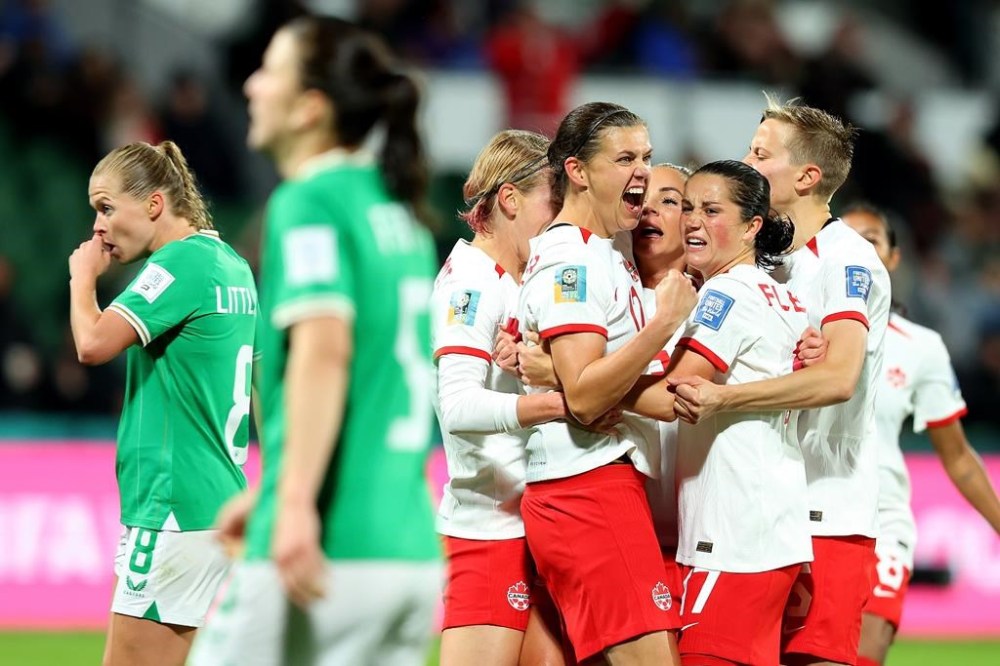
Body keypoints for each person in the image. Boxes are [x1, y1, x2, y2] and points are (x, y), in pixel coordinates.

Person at [188, 16, 441, 666]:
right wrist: (271, 486)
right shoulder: (399, 213)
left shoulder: (311, 201)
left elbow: (325, 351)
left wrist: (293, 498)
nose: (250, 85)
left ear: (310, 109)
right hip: (409, 551)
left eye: (270, 70)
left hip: (331, 542)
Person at [670, 95, 891, 666]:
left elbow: (839, 378)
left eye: (760, 153)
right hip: (769, 510)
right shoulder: (771, 264)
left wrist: (723, 398)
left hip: (829, 506)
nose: (746, 159)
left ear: (807, 176)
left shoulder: (847, 262)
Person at [516, 101, 698, 665]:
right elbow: (590, 396)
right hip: (586, 490)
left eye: (645, 155)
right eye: (624, 158)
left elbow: (595, 387)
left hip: (598, 488)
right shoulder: (574, 262)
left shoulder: (607, 255)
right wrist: (664, 322)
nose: (642, 170)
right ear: (577, 170)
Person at [68, 140, 256, 666]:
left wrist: (82, 281)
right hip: (211, 499)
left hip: (172, 506)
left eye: (106, 207)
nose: (97, 227)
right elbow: (262, 378)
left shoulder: (179, 265)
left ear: (154, 204)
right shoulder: (232, 264)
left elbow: (92, 344)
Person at [431, 129, 568, 666]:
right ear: (509, 199)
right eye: (552, 202)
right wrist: (562, 402)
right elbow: (459, 406)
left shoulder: (514, 279)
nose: (559, 218)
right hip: (487, 529)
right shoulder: (471, 287)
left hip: (530, 524)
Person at [841, 203, 1000, 666]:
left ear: (893, 258)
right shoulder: (795, 329)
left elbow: (956, 455)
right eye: (846, 240)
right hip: (807, 518)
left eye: (871, 239)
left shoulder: (920, 347)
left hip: (883, 520)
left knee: (864, 653)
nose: (859, 251)